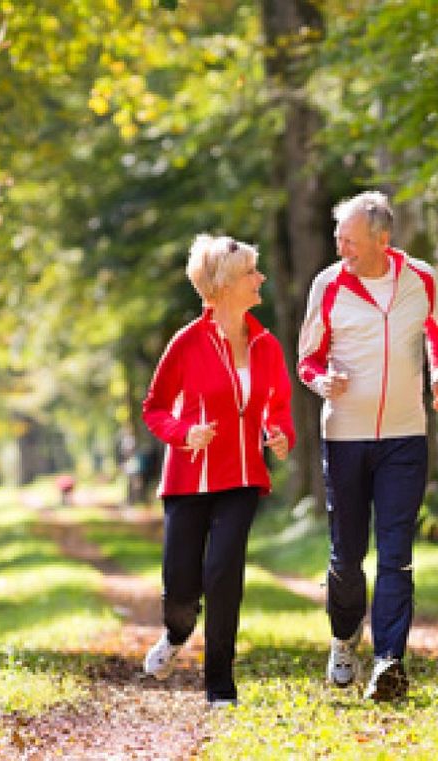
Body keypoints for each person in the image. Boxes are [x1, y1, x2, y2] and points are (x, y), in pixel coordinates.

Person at [298, 191, 438, 702]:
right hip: (345, 436)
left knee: (397, 553)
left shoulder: (421, 278)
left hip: (405, 436)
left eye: (350, 240)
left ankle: (389, 660)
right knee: (347, 557)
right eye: (338, 238)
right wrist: (323, 382)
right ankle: (345, 639)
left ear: (381, 240)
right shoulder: (328, 284)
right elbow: (307, 360)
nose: (341, 247)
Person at [141, 234, 295, 707]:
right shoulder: (187, 343)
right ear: (226, 284)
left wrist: (279, 433)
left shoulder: (265, 345)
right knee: (181, 589)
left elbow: (278, 405)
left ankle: (220, 688)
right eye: (252, 272)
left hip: (243, 476)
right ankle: (175, 633)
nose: (260, 278)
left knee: (224, 574)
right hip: (188, 480)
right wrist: (184, 433)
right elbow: (155, 407)